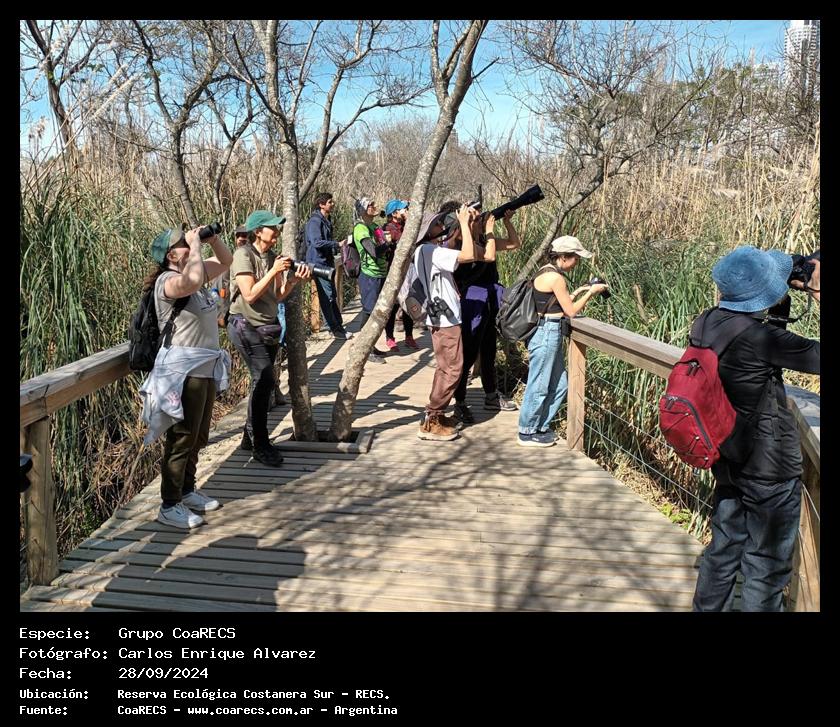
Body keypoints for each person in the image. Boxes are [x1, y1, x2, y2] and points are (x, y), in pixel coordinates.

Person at [692, 245, 820, 612]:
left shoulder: (708, 322)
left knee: (724, 548)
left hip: (728, 454)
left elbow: (761, 330)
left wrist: (778, 292)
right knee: (765, 567)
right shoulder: (762, 340)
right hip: (769, 467)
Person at [141, 225, 233, 529]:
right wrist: (195, 245)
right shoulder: (167, 282)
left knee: (199, 435)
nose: (189, 242)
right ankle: (169, 504)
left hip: (204, 368)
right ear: (171, 255)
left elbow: (226, 262)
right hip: (182, 373)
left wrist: (212, 239)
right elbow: (191, 280)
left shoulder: (194, 272)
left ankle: (187, 490)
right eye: (182, 242)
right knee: (182, 437)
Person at [226, 210, 311, 467]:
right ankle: (260, 445)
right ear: (257, 231)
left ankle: (249, 438)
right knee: (265, 378)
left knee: (261, 382)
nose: (276, 232)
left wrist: (293, 280)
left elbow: (277, 295)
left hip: (268, 326)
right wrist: (274, 270)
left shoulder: (273, 257)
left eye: (277, 228)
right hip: (244, 324)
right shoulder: (243, 255)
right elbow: (250, 294)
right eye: (272, 228)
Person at [517, 236, 607, 447]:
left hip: (549, 331)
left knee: (560, 384)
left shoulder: (545, 271)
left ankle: (540, 426)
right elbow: (571, 311)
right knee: (540, 384)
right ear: (564, 257)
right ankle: (526, 431)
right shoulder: (556, 278)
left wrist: (579, 291)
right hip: (546, 333)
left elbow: (556, 302)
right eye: (576, 258)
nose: (577, 262)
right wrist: (591, 293)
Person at [415, 205, 493, 441]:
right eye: (437, 224)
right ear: (427, 230)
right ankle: (432, 419)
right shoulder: (431, 251)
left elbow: (475, 253)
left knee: (446, 367)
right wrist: (465, 225)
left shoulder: (426, 251)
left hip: (443, 316)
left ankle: (436, 415)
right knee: (453, 368)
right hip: (445, 318)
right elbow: (467, 255)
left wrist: (467, 226)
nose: (441, 226)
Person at [450, 204, 522, 424]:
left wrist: (507, 222)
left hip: (489, 301)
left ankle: (491, 395)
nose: (480, 221)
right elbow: (488, 257)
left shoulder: (484, 240)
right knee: (469, 353)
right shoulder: (462, 244)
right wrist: (489, 231)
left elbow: (514, 244)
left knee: (489, 349)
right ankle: (460, 402)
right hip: (472, 304)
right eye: (475, 218)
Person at [304, 192, 352, 340]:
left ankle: (338, 325)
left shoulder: (326, 220)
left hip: (327, 262)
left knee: (332, 294)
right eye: (330, 202)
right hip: (318, 263)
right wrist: (337, 244)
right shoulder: (314, 221)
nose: (333, 204)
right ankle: (335, 329)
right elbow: (316, 242)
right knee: (327, 296)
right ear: (321, 204)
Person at [353, 196, 390, 362]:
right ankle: (364, 350)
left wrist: (389, 243)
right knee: (369, 311)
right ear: (362, 210)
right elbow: (373, 251)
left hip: (381, 273)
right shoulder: (360, 228)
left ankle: (371, 346)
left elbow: (384, 246)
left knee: (376, 311)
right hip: (369, 275)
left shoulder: (375, 227)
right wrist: (388, 244)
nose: (374, 206)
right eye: (370, 205)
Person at [382, 198, 419, 350]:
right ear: (394, 213)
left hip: (408, 270)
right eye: (403, 209)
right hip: (393, 272)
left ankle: (409, 336)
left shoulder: (406, 226)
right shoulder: (388, 228)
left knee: (408, 303)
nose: (406, 211)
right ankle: (390, 337)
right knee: (392, 306)